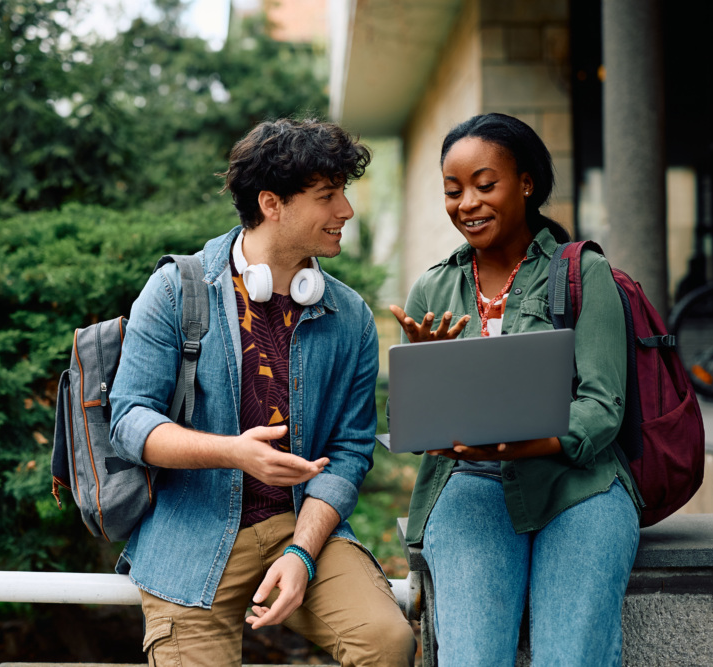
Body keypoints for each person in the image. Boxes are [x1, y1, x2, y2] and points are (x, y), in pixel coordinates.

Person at [110, 118, 417, 667]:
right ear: (272, 203)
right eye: (327, 196)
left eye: (343, 192)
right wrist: (232, 452)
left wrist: (302, 551)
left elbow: (349, 453)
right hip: (191, 535)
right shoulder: (174, 290)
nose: (345, 210)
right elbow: (129, 421)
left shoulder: (349, 316)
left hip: (301, 526)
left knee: (387, 642)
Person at [391, 113, 640, 666]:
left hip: (579, 487)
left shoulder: (583, 272)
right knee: (473, 658)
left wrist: (522, 446)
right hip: (471, 487)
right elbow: (411, 423)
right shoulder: (432, 287)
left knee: (571, 658)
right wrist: (422, 380)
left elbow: (604, 407)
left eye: (485, 184)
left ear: (526, 183)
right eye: (453, 191)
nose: (467, 204)